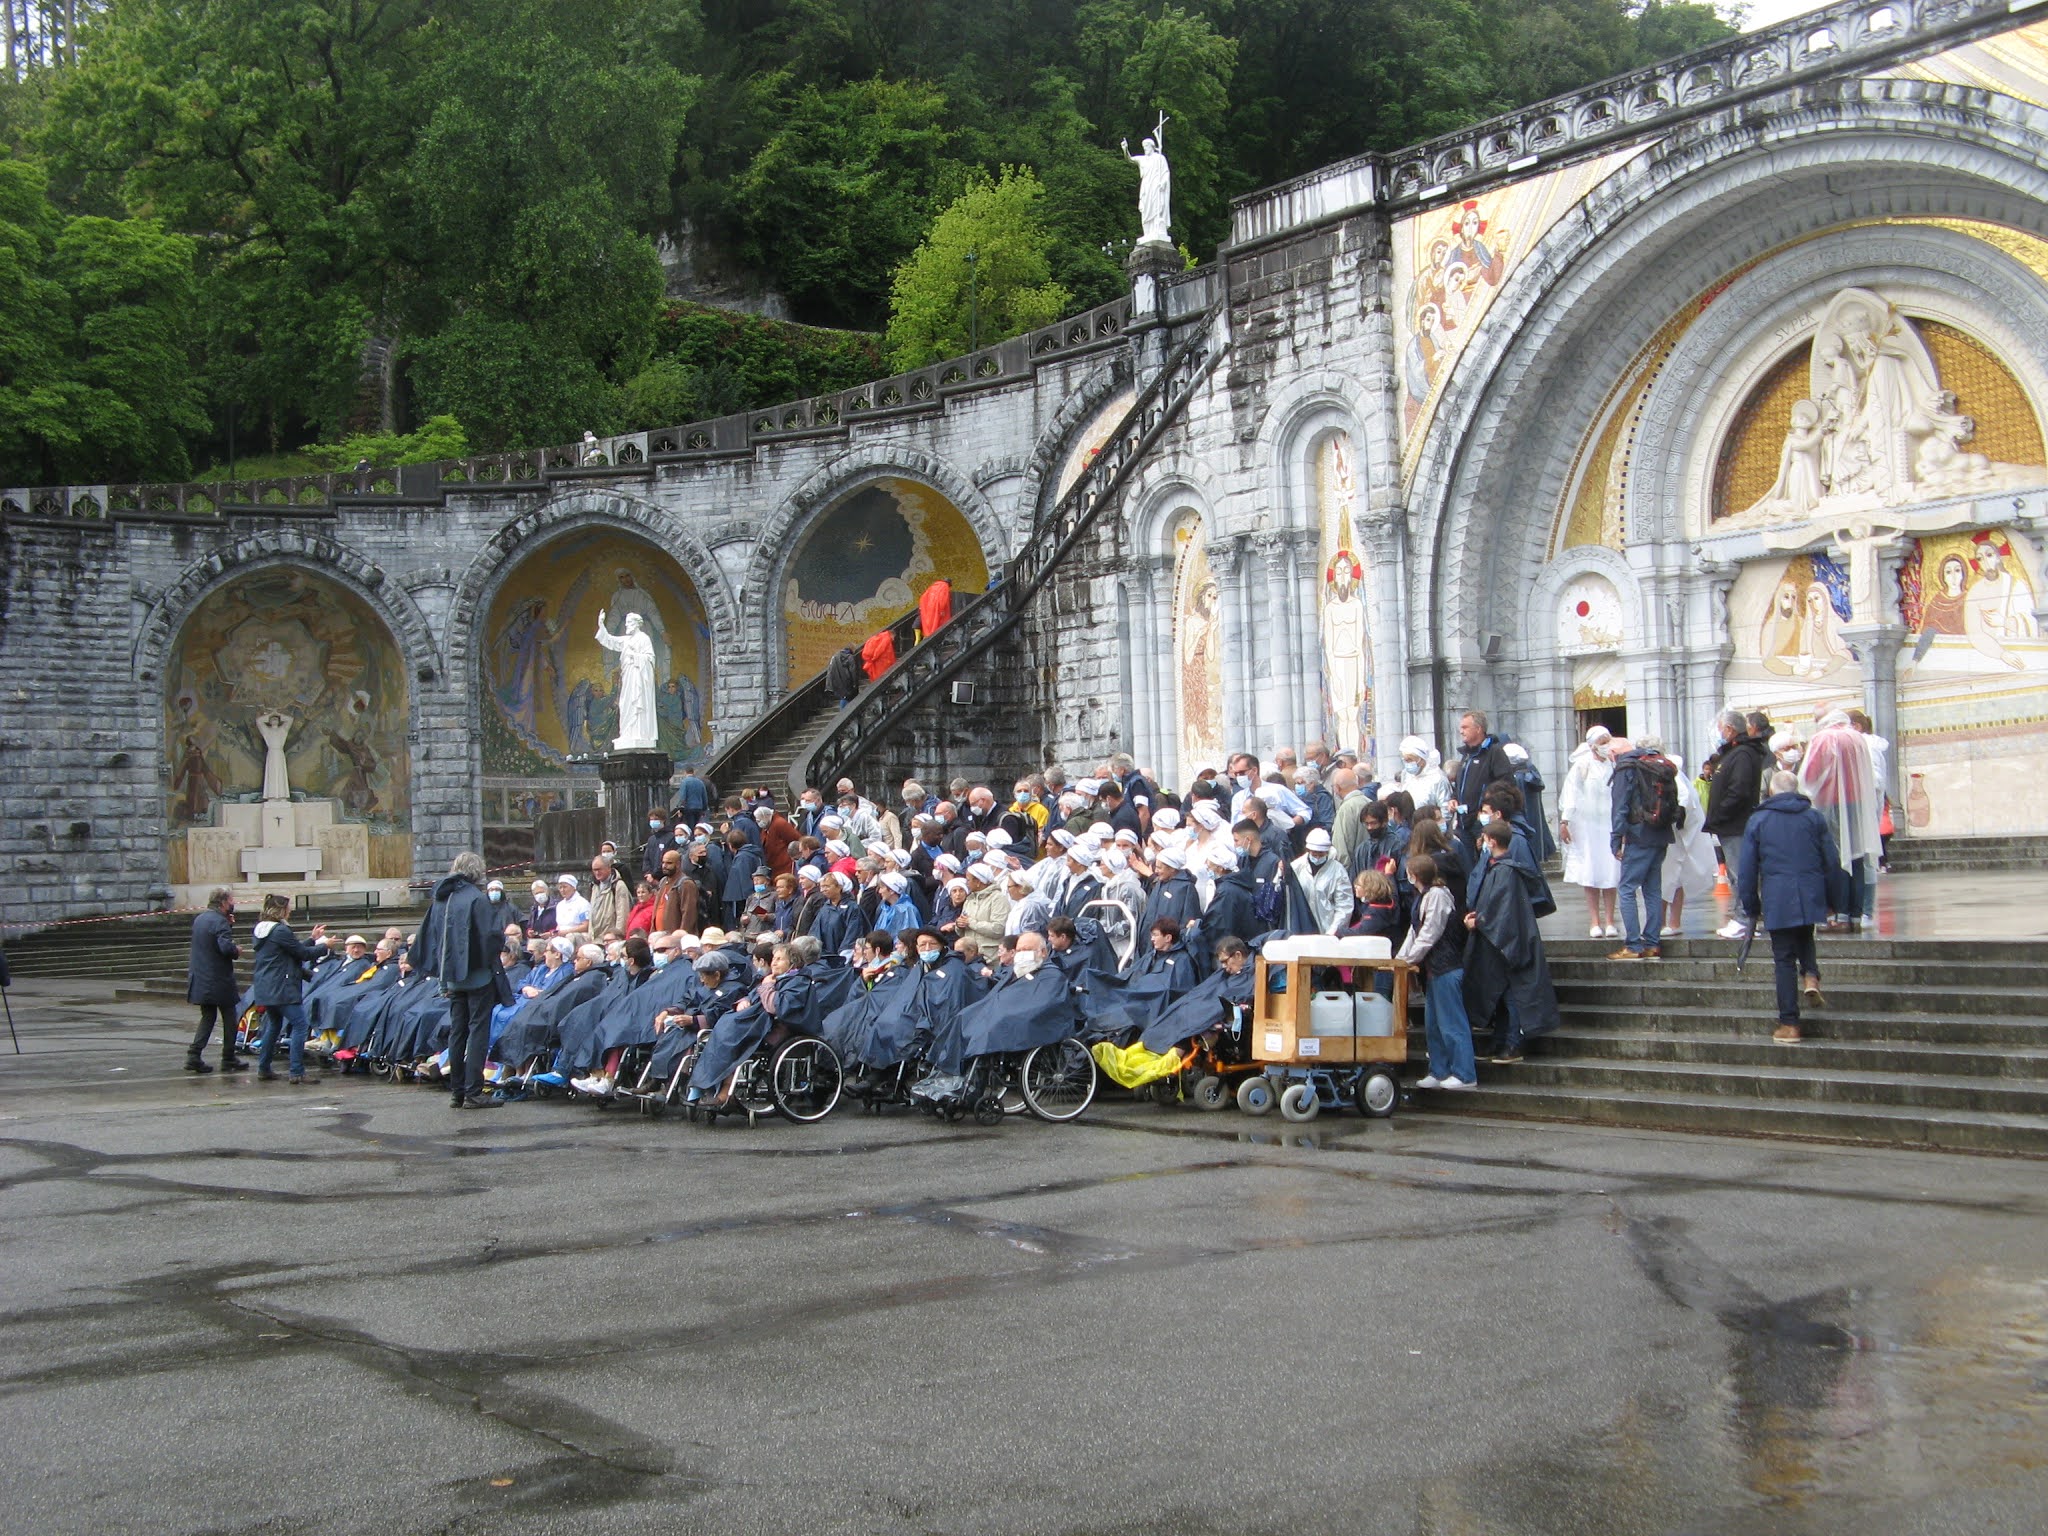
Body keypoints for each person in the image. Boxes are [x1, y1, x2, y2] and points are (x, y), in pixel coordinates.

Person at [1739, 769, 1840, 1044]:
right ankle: (1811, 976)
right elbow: (1831, 860)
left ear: (1772, 791)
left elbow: (1747, 869)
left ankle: (1789, 1023)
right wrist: (1833, 899)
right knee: (1805, 934)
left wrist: (1750, 904)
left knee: (1783, 958)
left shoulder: (1759, 820)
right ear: (1796, 790)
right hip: (1810, 889)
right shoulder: (1813, 817)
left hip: (1778, 894)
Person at [416, 851, 513, 1109]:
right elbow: (491, 936)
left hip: (451, 976)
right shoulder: (476, 899)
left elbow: (432, 936)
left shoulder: (441, 898)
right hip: (477, 975)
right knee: (478, 1032)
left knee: (458, 1032)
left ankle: (457, 1092)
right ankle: (473, 1091)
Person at [1463, 820, 1559, 1064]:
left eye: (1485, 838)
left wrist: (1478, 921)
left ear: (1492, 841)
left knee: (1510, 994)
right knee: (1500, 994)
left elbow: (1501, 909)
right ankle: (1500, 1040)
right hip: (1501, 940)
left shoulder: (1504, 871)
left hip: (1505, 943)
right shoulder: (1500, 869)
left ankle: (1513, 1043)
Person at [1797, 708, 1881, 934]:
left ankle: (1839, 914)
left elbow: (1809, 775)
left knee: (1835, 857)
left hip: (1830, 803)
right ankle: (1856, 914)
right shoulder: (1857, 738)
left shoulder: (1823, 738)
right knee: (1857, 854)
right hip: (1858, 803)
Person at [1400, 853, 1474, 1090]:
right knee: (1433, 1025)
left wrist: (1409, 959)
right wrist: (1399, 959)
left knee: (1452, 1023)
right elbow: (1414, 932)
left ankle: (1465, 1073)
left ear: (1415, 875)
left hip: (1447, 967)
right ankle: (1439, 1070)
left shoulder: (1438, 895)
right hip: (1433, 971)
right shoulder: (1421, 897)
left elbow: (1430, 932)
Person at [1608, 734, 1679, 960]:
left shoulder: (1627, 767)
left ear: (1614, 754)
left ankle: (1633, 945)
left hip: (1639, 835)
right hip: (1661, 833)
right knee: (1652, 889)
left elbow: (1620, 806)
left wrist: (1616, 839)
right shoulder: (1659, 765)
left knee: (1627, 889)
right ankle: (1652, 943)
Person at [1704, 708, 1771, 939]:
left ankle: (1745, 918)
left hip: (1736, 824)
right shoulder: (1734, 753)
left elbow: (1738, 790)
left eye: (1721, 729)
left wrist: (1720, 814)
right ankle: (1744, 916)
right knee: (1736, 873)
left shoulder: (1742, 754)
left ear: (1730, 729)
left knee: (1741, 872)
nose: (1719, 733)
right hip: (1729, 825)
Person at [249, 894, 330, 1084]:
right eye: (288, 907)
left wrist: (312, 939)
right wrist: (324, 946)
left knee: (274, 1025)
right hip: (282, 987)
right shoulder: (280, 930)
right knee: (300, 1025)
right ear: (281, 910)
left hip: (266, 986)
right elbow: (302, 954)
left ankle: (264, 1068)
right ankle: (296, 1071)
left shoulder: (261, 930)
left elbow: (291, 949)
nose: (290, 910)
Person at [1559, 726, 1621, 938]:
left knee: (1611, 872)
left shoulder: (1614, 764)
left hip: (1609, 825)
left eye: (1608, 741)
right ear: (1593, 745)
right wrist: (1565, 820)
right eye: (1602, 742)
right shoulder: (1582, 765)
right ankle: (1595, 921)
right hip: (1587, 826)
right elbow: (1571, 794)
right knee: (1591, 872)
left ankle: (1610, 921)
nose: (1606, 746)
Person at [184, 887, 244, 1074]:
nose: (233, 903)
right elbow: (225, 947)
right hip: (218, 980)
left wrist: (228, 926)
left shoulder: (201, 919)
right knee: (230, 1017)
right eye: (231, 900)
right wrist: (236, 950)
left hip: (200, 977)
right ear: (224, 902)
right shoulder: (219, 921)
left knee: (208, 1017)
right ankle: (228, 1057)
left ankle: (194, 1055)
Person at [1448, 711, 1513, 847]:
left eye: (1465, 727)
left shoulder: (1494, 752)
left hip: (1482, 824)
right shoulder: (1466, 755)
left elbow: (1505, 786)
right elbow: (1460, 784)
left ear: (1478, 729)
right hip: (1463, 823)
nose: (1461, 731)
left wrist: (1484, 810)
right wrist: (1454, 798)